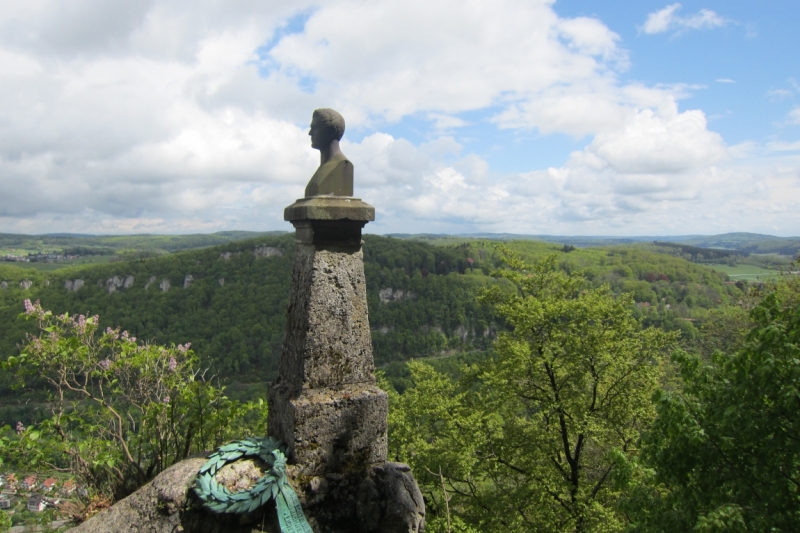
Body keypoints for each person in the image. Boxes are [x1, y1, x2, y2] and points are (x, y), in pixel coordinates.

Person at [304, 108, 354, 197]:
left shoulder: (342, 165)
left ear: (331, 132)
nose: (310, 133)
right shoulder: (324, 166)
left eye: (315, 128)